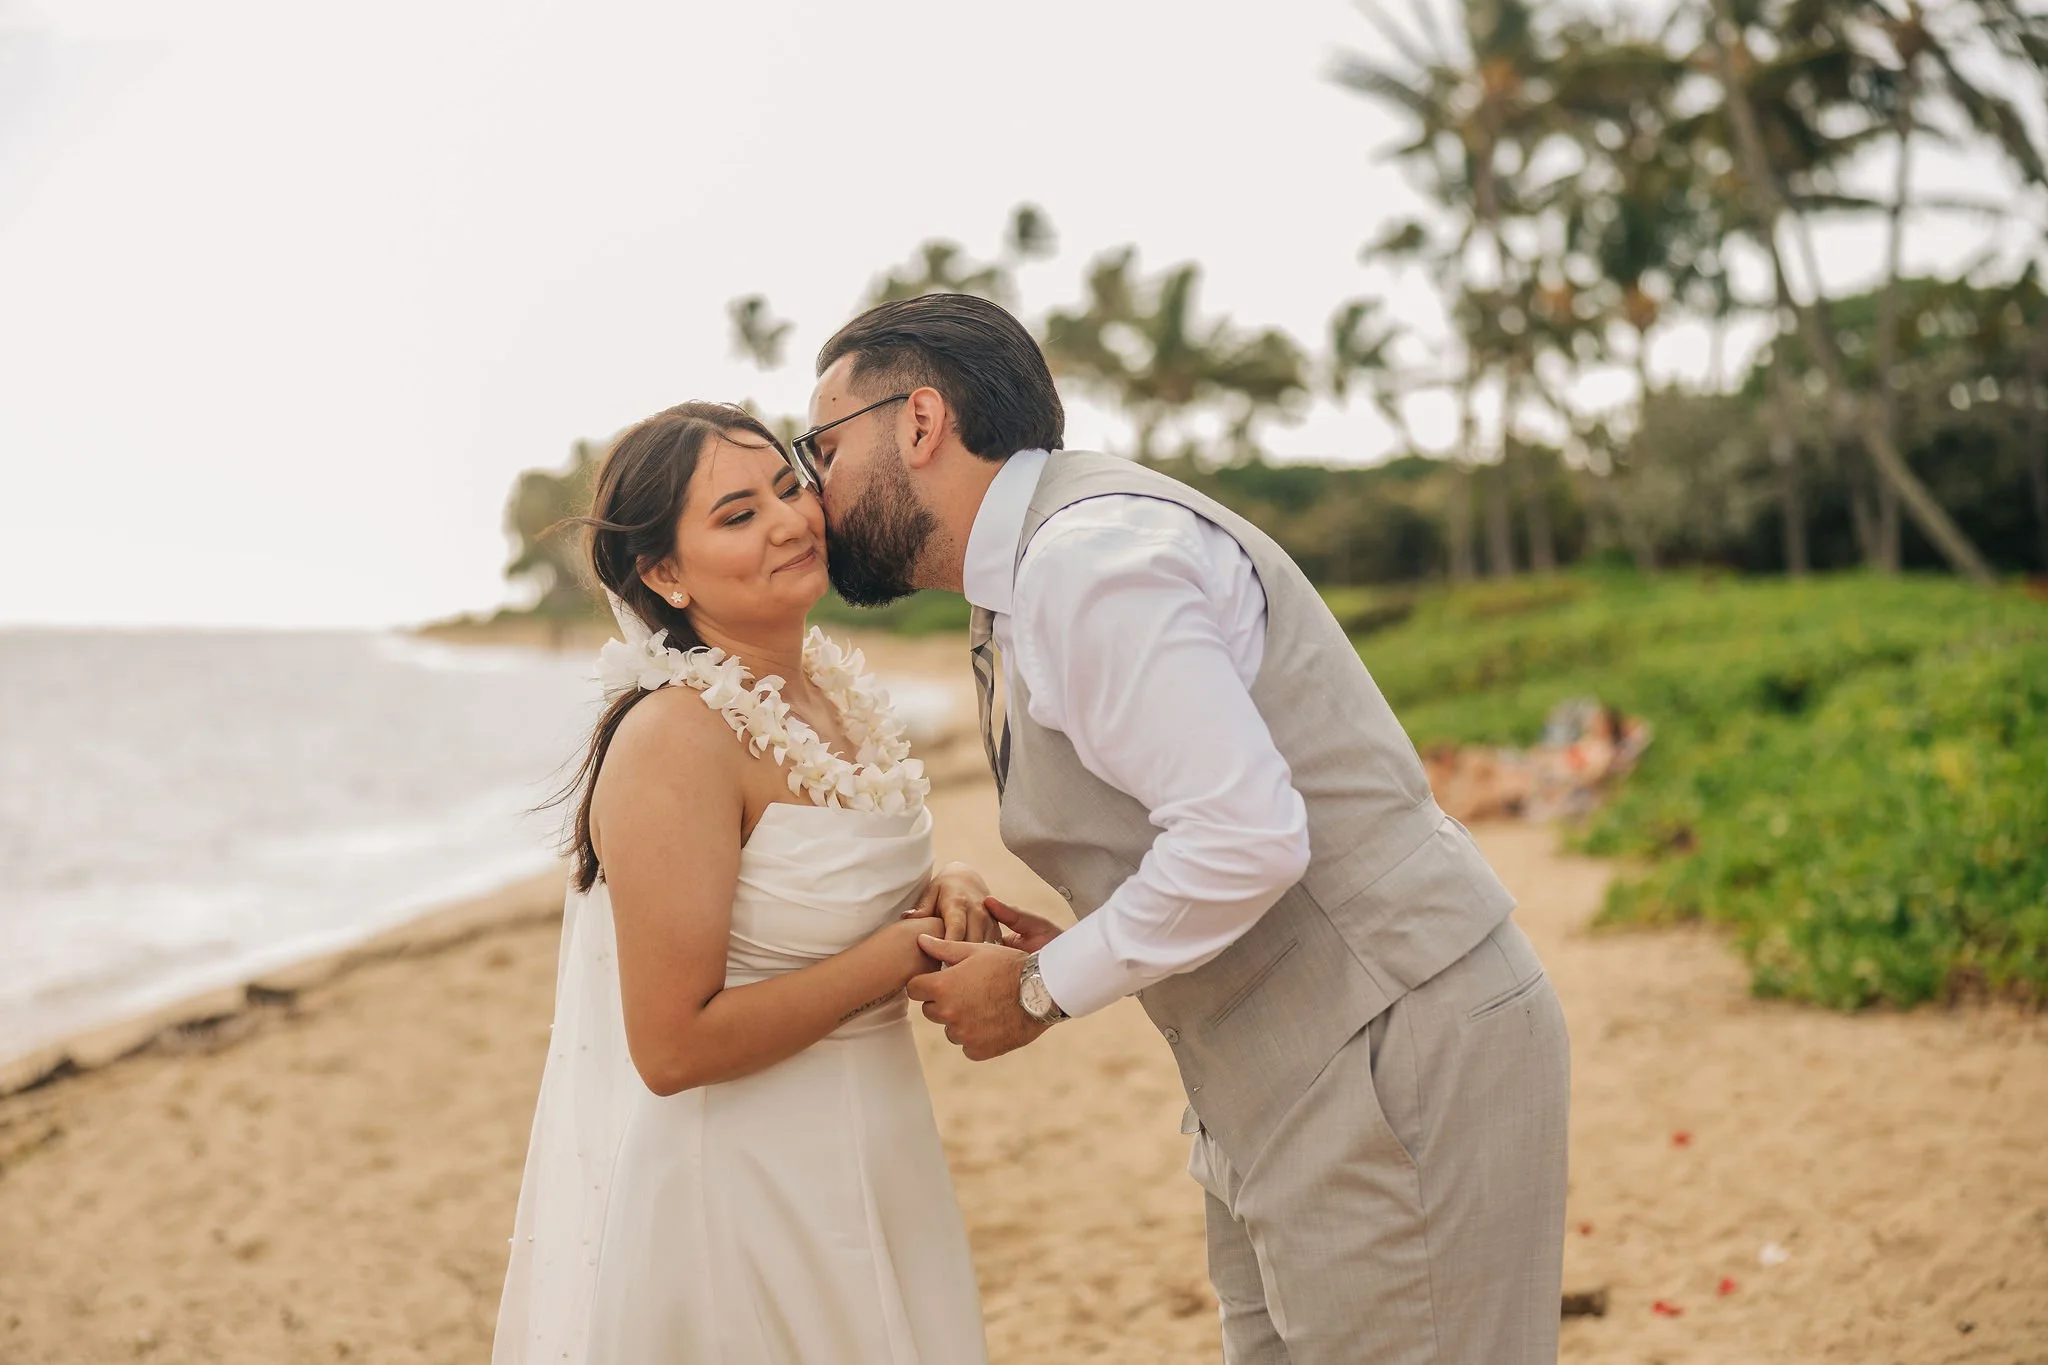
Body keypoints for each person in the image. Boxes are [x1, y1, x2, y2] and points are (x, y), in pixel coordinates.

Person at [800, 294, 1573, 1364]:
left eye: (821, 447)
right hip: (1287, 1071)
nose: (811, 488)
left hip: (1388, 1047)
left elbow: (1245, 836)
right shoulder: (1042, 565)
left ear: (918, 423)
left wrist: (1039, 989)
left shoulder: (1085, 560)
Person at [492, 402, 992, 1364]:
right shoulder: (677, 736)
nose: (790, 519)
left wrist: (950, 880)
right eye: (735, 514)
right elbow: (672, 1046)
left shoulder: (831, 696)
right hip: (745, 1185)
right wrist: (897, 952)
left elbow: (825, 887)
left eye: (787, 484)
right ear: (663, 573)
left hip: (879, 1154)